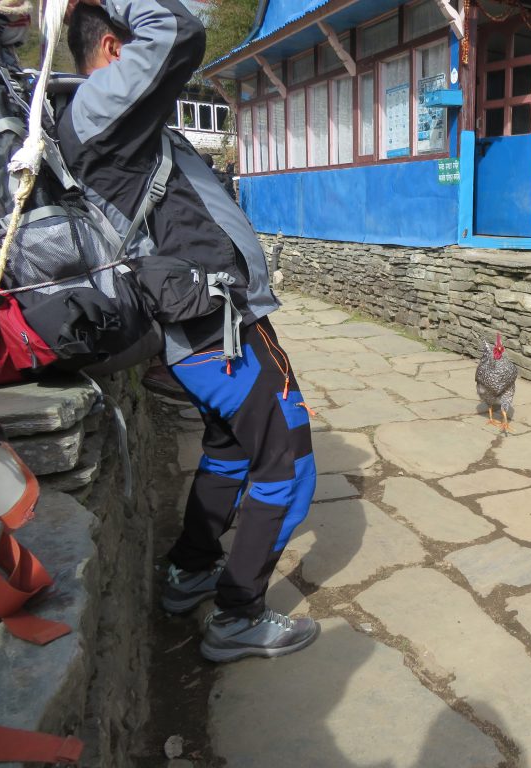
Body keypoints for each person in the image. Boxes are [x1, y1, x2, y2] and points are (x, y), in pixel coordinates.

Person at [60, 0, 320, 661]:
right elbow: (178, 28)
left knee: (229, 451)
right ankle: (238, 614)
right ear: (114, 50)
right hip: (219, 331)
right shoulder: (101, 110)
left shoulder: (107, 123)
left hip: (200, 329)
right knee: (289, 468)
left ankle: (189, 572)